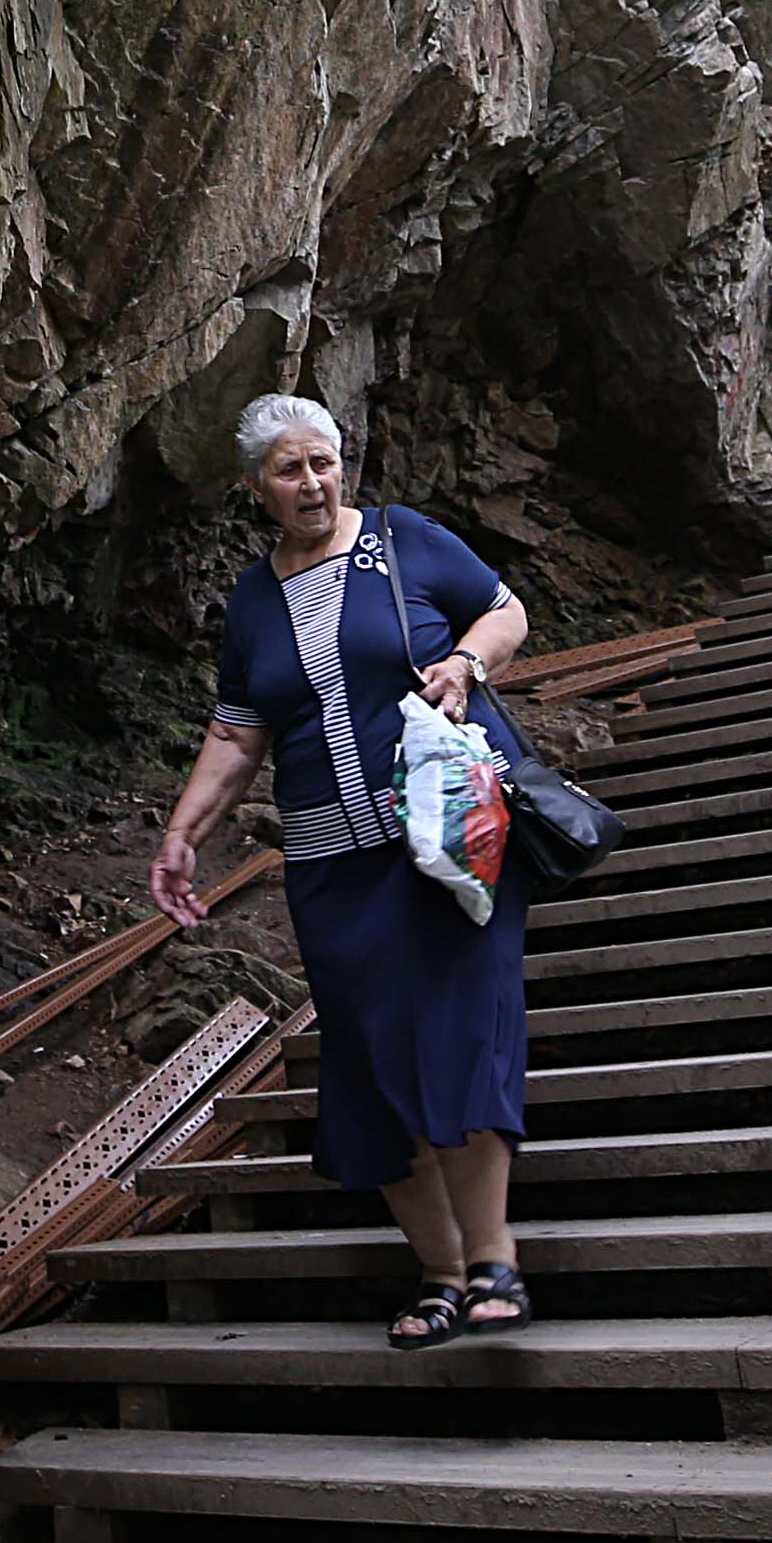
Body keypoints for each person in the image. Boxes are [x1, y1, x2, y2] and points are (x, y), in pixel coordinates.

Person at [148, 394, 538, 1347]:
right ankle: (440, 1276)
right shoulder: (252, 598)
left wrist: (463, 666)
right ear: (257, 491)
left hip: (442, 843)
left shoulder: (402, 541)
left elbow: (502, 612)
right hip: (331, 870)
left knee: (454, 1031)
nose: (313, 484)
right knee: (368, 1061)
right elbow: (240, 729)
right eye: (290, 471)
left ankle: (496, 1263)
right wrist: (184, 832)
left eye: (322, 462)